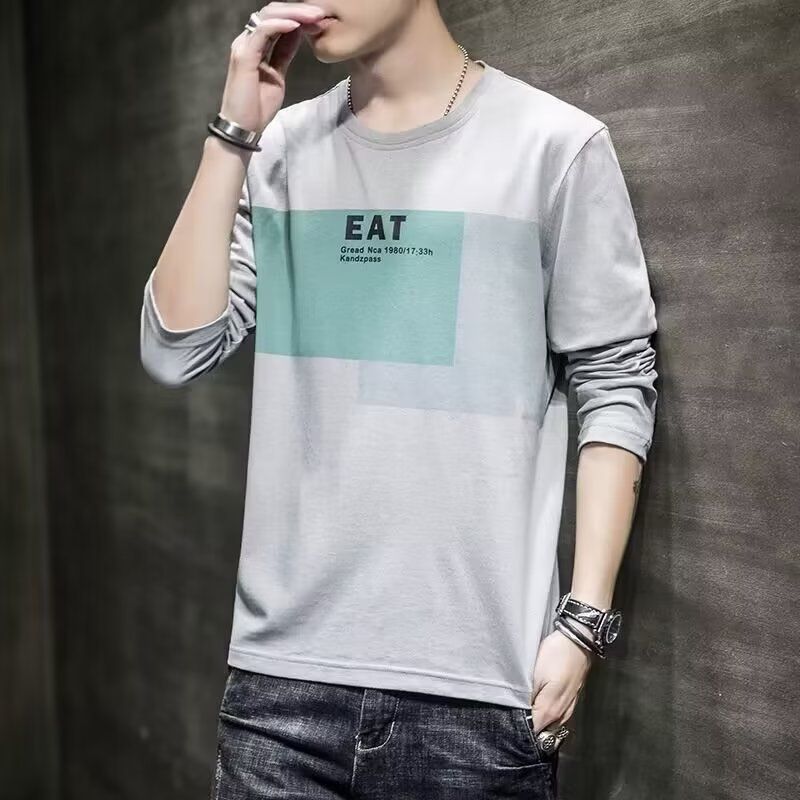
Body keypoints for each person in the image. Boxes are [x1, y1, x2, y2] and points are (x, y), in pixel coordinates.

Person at [139, 1, 658, 798]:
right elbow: (176, 350)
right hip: (280, 697)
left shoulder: (552, 145)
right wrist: (233, 135)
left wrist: (583, 623)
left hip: (479, 702)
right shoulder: (280, 151)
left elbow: (616, 380)